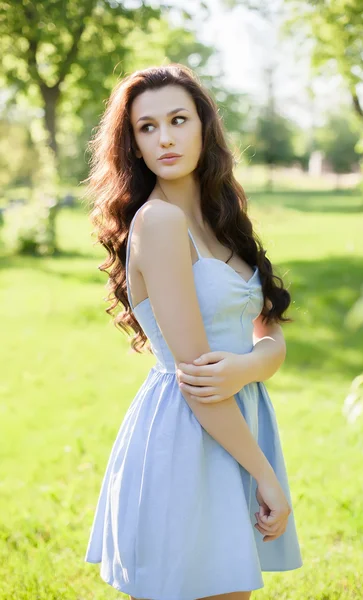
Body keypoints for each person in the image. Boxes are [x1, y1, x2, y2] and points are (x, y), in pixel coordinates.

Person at [84, 63, 302, 600]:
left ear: (204, 127)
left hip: (236, 426)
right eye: (147, 127)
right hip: (188, 432)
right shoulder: (158, 223)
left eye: (178, 120)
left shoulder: (223, 217)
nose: (165, 138)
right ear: (132, 144)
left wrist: (249, 366)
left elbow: (270, 335)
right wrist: (267, 478)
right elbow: (199, 378)